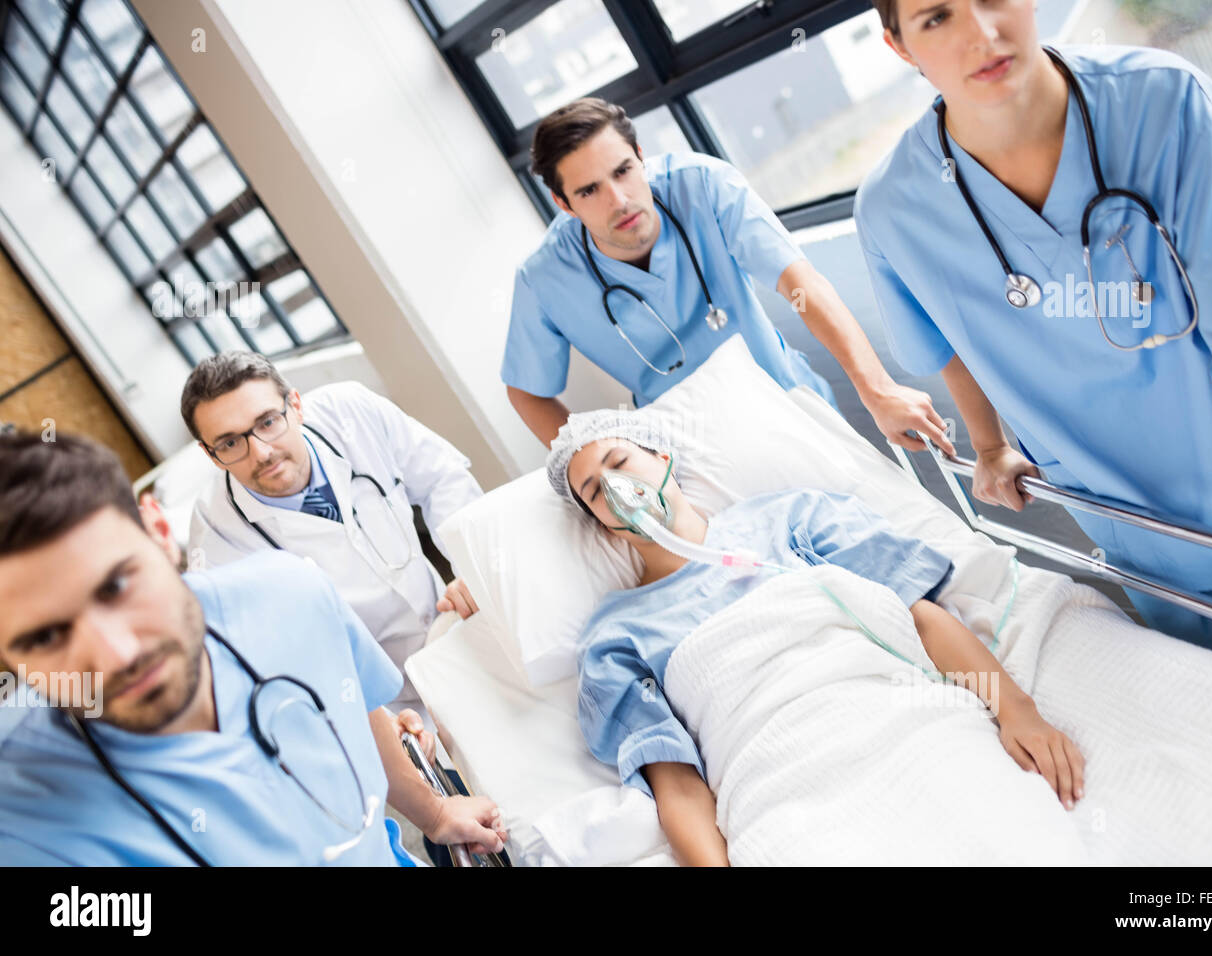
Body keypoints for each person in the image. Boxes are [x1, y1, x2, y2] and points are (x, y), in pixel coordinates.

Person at [854, 0, 1212, 674]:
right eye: (937, 16)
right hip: (1136, 538)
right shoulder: (895, 205)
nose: (981, 32)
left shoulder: (1165, 107)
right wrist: (990, 446)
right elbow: (946, 340)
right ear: (898, 46)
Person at [546, 411, 1085, 866]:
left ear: (661, 459)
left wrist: (1016, 709)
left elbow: (916, 617)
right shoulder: (616, 635)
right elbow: (678, 785)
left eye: (619, 463)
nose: (617, 489)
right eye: (595, 491)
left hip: (898, 720)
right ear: (599, 523)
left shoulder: (790, 520)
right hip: (778, 781)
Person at [0, 430, 507, 865]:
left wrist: (435, 812)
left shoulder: (291, 594)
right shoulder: (24, 819)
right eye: (44, 638)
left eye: (114, 587)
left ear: (157, 532)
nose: (117, 653)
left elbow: (353, 698)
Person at [502, 97, 955, 459]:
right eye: (588, 191)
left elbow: (799, 285)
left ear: (641, 158)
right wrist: (592, 460)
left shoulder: (703, 186)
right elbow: (526, 391)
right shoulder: (545, 280)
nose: (618, 200)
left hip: (788, 402)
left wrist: (877, 389)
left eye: (623, 171)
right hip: (686, 454)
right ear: (564, 204)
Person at [185, 352, 483, 718]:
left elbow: (441, 478)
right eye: (230, 443)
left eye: (267, 422)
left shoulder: (350, 412)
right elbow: (256, 656)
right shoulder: (217, 534)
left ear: (295, 405)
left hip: (461, 626)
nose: (261, 452)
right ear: (210, 454)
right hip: (381, 706)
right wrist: (373, 725)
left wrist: (473, 570)